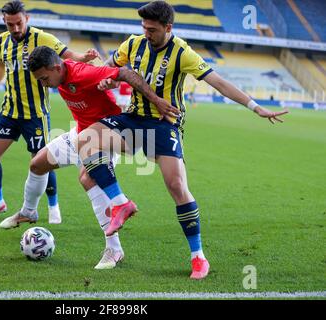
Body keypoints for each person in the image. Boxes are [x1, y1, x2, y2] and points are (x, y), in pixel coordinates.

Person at [75, 1, 289, 279]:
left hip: (165, 124)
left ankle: (198, 257)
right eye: (144, 28)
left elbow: (219, 82)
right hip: (134, 118)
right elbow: (108, 69)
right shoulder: (133, 44)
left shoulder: (182, 52)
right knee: (87, 140)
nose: (147, 33)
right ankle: (120, 203)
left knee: (176, 185)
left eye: (152, 29)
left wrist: (255, 106)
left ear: (168, 27)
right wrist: (107, 81)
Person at [0, 46, 172, 269]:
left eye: (44, 79)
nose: (43, 84)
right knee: (37, 165)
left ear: (56, 68)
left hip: (105, 135)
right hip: (80, 134)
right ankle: (28, 212)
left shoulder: (83, 74)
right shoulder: (60, 72)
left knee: (88, 179)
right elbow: (68, 54)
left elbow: (127, 73)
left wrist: (156, 100)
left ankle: (114, 249)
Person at [0, 1, 100, 224]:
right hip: (9, 111)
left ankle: (53, 205)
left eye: (19, 23)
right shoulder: (2, 40)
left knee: (41, 161)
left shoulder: (42, 38)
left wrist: (83, 58)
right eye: (10, 24)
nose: (15, 29)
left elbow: (66, 54)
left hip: (35, 114)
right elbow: (1, 65)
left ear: (27, 19)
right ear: (4, 21)